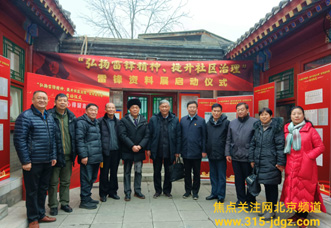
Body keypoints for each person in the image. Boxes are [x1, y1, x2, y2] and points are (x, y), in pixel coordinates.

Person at [14, 91, 57, 228]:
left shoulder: (49, 116)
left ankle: (41, 214)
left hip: (47, 160)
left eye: (44, 98)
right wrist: (25, 161)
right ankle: (32, 218)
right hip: (32, 162)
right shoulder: (25, 116)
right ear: (33, 100)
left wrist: (53, 156)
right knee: (32, 190)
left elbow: (53, 139)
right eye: (39, 98)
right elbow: (19, 140)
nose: (42, 100)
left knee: (43, 189)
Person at [280, 106, 326, 228]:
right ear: (290, 116)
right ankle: (297, 214)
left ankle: (303, 217)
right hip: (291, 165)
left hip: (306, 166)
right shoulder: (286, 130)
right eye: (294, 114)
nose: (296, 116)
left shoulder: (310, 130)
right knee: (294, 191)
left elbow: (320, 147)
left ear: (303, 115)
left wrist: (308, 156)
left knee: (305, 192)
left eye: (299, 113)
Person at [249, 107, 286, 220]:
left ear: (271, 116)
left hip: (272, 162)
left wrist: (280, 162)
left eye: (266, 114)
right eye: (262, 114)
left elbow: (280, 146)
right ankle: (269, 209)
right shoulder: (257, 127)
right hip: (260, 162)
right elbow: (252, 145)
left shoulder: (276, 128)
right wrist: (252, 159)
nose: (264, 116)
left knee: (271, 187)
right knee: (266, 186)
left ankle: (271, 211)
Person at [225, 102, 258, 208]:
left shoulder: (255, 122)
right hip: (235, 156)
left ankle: (251, 202)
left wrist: (254, 157)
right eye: (238, 109)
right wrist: (227, 153)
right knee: (238, 180)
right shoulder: (232, 123)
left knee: (250, 180)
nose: (240, 111)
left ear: (247, 110)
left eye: (242, 109)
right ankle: (241, 200)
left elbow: (257, 141)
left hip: (249, 157)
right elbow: (228, 139)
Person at [48, 93, 76, 215]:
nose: (63, 103)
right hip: (55, 156)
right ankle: (53, 205)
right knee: (53, 182)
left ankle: (64, 202)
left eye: (65, 100)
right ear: (55, 102)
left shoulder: (71, 117)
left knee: (65, 181)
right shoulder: (49, 115)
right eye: (60, 100)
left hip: (68, 156)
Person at [146, 100, 181, 199]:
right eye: (162, 106)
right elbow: (149, 135)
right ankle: (157, 190)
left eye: (166, 106)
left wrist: (177, 151)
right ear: (159, 108)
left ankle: (167, 190)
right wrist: (148, 148)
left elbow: (178, 136)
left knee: (168, 171)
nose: (164, 108)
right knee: (156, 171)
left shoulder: (175, 119)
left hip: (170, 150)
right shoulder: (153, 119)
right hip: (157, 149)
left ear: (169, 108)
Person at [118, 98, 150, 201]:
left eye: (136, 107)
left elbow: (147, 135)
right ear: (129, 109)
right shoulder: (124, 120)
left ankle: (138, 191)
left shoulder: (144, 121)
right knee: (127, 172)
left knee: (138, 171)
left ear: (139, 108)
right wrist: (132, 146)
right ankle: (127, 192)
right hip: (128, 150)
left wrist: (140, 146)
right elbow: (122, 135)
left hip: (139, 151)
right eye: (132, 107)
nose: (135, 109)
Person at [76, 103, 103, 209]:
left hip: (96, 156)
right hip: (87, 157)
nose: (93, 112)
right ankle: (84, 201)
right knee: (86, 178)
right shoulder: (81, 122)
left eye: (95, 110)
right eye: (91, 110)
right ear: (86, 111)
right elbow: (79, 140)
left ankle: (88, 197)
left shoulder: (96, 122)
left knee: (92, 178)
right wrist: (83, 155)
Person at [180, 100, 206, 200]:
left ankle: (195, 192)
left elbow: (204, 137)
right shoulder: (182, 120)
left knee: (196, 173)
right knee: (186, 173)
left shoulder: (201, 121)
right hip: (185, 152)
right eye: (190, 107)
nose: (192, 109)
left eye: (194, 107)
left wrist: (203, 150)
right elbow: (180, 136)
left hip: (197, 152)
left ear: (196, 108)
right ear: (187, 108)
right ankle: (187, 191)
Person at [205, 103, 229, 203]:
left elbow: (228, 139)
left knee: (221, 176)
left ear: (221, 112)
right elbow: (206, 138)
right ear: (212, 112)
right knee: (213, 175)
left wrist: (227, 152)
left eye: (218, 111)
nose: (216, 113)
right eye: (214, 111)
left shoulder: (226, 123)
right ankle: (214, 193)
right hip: (211, 153)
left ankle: (221, 195)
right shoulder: (208, 123)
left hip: (221, 154)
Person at [99, 103, 121, 202]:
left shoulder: (119, 122)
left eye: (113, 107)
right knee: (104, 173)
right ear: (105, 109)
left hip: (116, 152)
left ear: (115, 109)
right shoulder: (100, 121)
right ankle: (103, 193)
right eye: (109, 107)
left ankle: (113, 192)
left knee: (114, 173)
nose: (111, 109)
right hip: (105, 152)